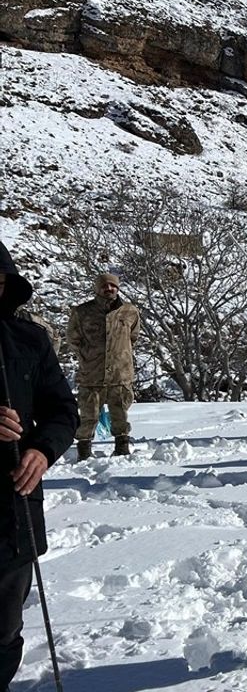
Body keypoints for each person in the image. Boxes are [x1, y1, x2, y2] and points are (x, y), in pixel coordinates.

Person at [0, 240, 78, 688]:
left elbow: (62, 409)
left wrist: (42, 450)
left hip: (13, 508)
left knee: (3, 627)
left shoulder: (29, 339)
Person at [66, 273, 140, 459]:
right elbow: (73, 339)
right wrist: (88, 356)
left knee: (120, 413)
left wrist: (121, 355)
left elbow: (133, 337)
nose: (109, 289)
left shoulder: (130, 311)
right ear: (97, 288)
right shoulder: (82, 312)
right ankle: (84, 450)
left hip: (120, 373)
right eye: (104, 286)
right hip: (92, 373)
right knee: (88, 415)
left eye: (112, 285)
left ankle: (122, 447)